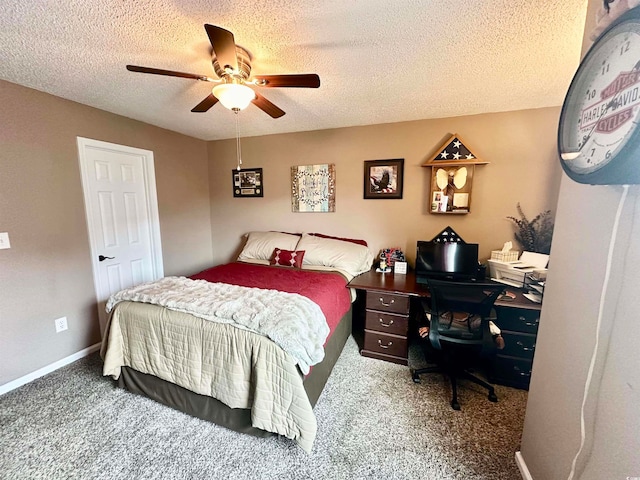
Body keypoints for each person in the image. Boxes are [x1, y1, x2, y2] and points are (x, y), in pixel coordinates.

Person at [417, 311, 505, 349]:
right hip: (472, 329)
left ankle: (433, 330)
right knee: (480, 321)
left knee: (434, 315)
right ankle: (496, 335)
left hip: (447, 324)